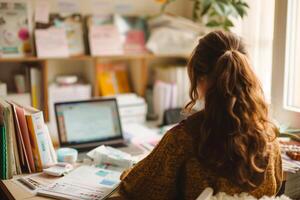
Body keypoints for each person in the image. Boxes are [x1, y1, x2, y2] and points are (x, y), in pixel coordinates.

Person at [117, 31, 283, 200]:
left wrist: (130, 172)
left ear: (200, 79)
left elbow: (136, 190)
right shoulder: (270, 137)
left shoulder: (181, 139)